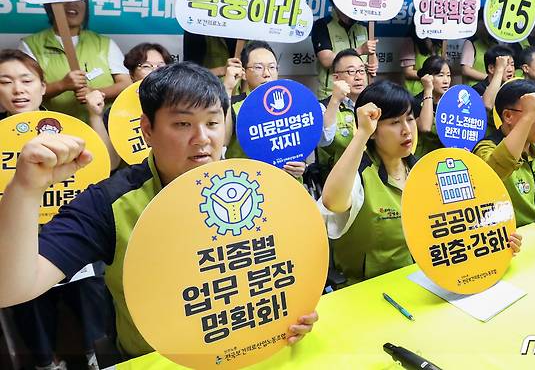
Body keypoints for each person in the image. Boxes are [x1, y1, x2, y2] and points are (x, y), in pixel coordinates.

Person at [0, 62, 318, 360]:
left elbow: (289, 265)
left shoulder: (257, 184)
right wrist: (25, 190)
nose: (202, 139)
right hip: (154, 360)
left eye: (212, 122)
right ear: (147, 130)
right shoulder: (110, 202)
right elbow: (12, 288)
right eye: (182, 123)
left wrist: (296, 307)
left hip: (252, 351)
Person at [319, 80, 522, 284]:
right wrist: (362, 133)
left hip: (429, 281)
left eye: (409, 119)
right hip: (372, 290)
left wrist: (495, 239)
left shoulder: (426, 171)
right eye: (394, 122)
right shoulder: (359, 175)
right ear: (372, 130)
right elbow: (332, 202)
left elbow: (459, 223)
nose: (407, 129)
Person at [0, 49, 112, 370]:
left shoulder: (69, 130)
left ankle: (98, 358)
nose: (18, 89)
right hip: (19, 238)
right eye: (6, 81)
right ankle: (46, 362)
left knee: (92, 292)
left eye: (26, 80)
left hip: (70, 230)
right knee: (29, 303)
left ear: (42, 86)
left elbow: (105, 165)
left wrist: (93, 117)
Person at [473, 79, 535, 227]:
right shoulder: (486, 148)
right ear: (508, 116)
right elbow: (493, 173)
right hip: (512, 238)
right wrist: (527, 117)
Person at [19, 0, 131, 123]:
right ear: (50, 6)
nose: (73, 4)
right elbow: (24, 91)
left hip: (101, 127)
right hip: (52, 128)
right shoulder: (31, 45)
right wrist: (61, 85)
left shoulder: (104, 43)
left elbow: (125, 85)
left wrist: (95, 92)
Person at [221, 41, 307, 179]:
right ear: (243, 73)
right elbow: (222, 141)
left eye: (272, 67)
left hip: (286, 185)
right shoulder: (235, 105)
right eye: (258, 67)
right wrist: (227, 89)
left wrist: (301, 165)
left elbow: (301, 147)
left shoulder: (293, 105)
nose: (267, 73)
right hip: (248, 186)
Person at [85, 43, 175, 171]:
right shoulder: (116, 113)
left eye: (161, 66)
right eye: (146, 66)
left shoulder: (181, 106)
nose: (155, 71)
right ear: (132, 75)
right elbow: (110, 163)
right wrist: (95, 115)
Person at [311, 0, 377, 99]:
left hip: (361, 95)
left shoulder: (364, 26)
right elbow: (326, 60)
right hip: (332, 96)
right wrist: (360, 50)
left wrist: (373, 64)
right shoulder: (322, 25)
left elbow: (371, 55)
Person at [319, 49, 367, 172]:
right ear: (336, 78)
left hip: (370, 174)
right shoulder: (323, 107)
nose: (358, 77)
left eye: (361, 71)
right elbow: (324, 139)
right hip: (335, 175)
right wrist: (335, 101)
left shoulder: (373, 104)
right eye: (351, 71)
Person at [472, 45, 516, 136]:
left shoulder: (512, 88)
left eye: (512, 65)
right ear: (491, 69)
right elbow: (487, 105)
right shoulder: (477, 89)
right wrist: (499, 70)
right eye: (505, 65)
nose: (510, 69)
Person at [414, 56, 451, 158]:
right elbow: (425, 127)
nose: (446, 81)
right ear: (428, 77)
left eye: (448, 75)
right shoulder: (416, 102)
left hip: (446, 158)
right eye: (440, 75)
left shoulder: (452, 102)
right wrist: (428, 89)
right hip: (422, 160)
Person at [399, 25, 443, 95]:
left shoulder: (441, 42)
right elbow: (408, 72)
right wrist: (431, 76)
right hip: (416, 93)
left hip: (436, 92)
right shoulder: (410, 41)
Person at [460, 14, 497, 86]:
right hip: (475, 89)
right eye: (484, 23)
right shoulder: (471, 43)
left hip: (492, 87)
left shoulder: (494, 43)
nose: (486, 27)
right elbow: (466, 70)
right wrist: (489, 78)